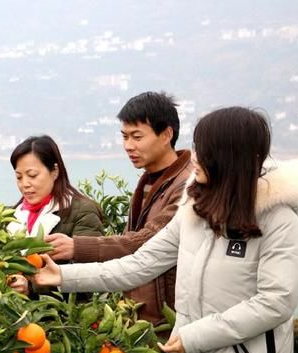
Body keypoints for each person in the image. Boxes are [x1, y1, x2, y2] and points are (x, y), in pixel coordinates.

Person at [34, 107, 298, 353]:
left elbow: (276, 301)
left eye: (204, 150)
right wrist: (63, 276)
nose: (194, 157)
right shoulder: (196, 209)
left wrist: (195, 336)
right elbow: (141, 263)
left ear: (229, 157)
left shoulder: (277, 220)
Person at [45, 91, 193, 324]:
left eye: (137, 137)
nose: (128, 146)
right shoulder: (148, 181)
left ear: (166, 134)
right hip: (139, 319)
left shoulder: (185, 186)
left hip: (168, 322)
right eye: (124, 137)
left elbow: (143, 243)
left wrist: (76, 246)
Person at [5, 135, 104, 295]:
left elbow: (87, 278)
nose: (25, 184)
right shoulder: (11, 216)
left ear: (54, 171)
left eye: (32, 175)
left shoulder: (82, 211)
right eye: (19, 177)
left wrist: (30, 288)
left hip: (63, 317)